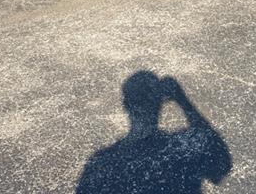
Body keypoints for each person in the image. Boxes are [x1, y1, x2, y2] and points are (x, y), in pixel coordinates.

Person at [76, 71, 232, 194]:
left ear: (126, 105)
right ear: (160, 103)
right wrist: (182, 100)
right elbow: (221, 162)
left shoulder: (101, 164)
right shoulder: (181, 150)